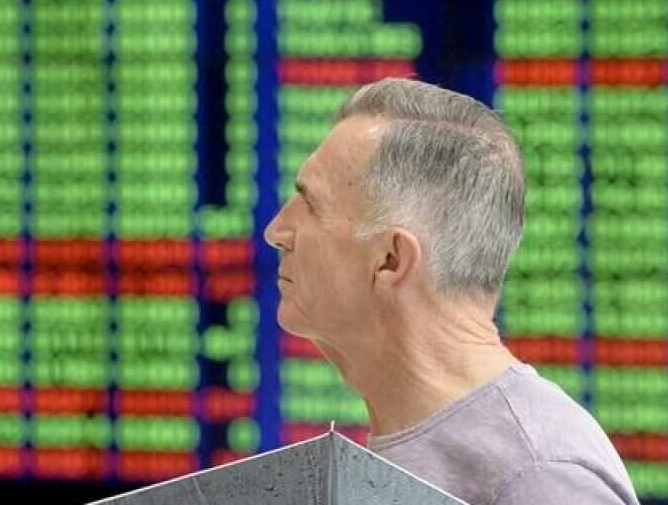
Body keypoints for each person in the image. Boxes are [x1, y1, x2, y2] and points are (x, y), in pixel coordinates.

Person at [262, 77, 638, 504]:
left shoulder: (538, 477)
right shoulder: (428, 449)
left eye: (310, 205)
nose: (276, 231)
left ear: (390, 260)